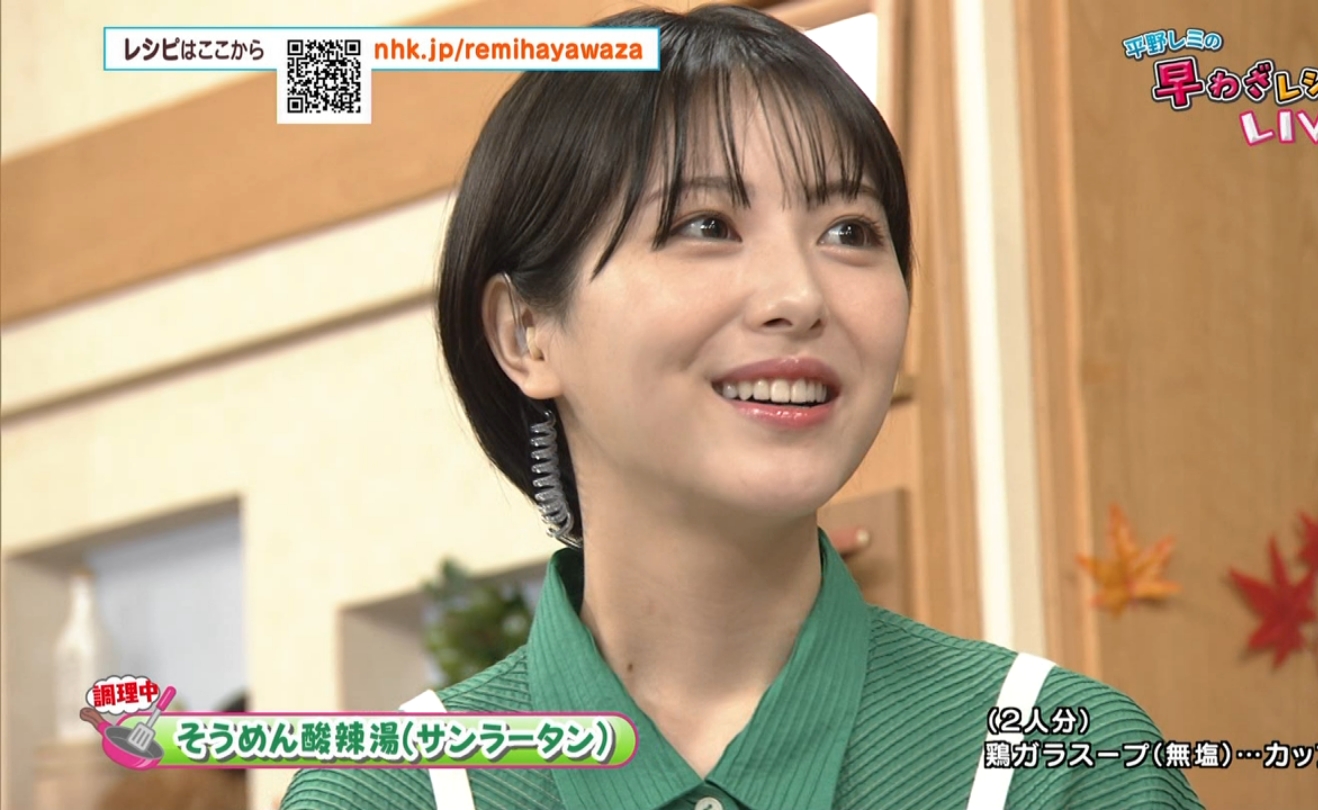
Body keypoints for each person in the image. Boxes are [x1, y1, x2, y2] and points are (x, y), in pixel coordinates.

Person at [281, 5, 1204, 809]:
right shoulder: (393, 791)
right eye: (706, 226)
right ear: (527, 332)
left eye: (850, 232)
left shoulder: (1063, 768)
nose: (799, 295)